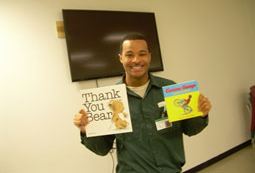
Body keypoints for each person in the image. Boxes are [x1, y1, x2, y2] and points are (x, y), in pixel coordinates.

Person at [74, 33, 212, 173]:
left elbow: (190, 129)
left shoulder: (170, 90)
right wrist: (86, 131)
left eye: (142, 54)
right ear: (121, 58)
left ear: (149, 56)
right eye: (129, 55)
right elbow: (102, 149)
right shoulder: (110, 100)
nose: (136, 60)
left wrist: (201, 114)